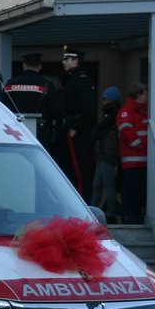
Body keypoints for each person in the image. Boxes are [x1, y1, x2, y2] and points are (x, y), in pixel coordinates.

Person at [4, 52, 66, 169]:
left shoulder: (9, 84)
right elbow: (58, 112)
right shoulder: (47, 85)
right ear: (39, 67)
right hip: (40, 135)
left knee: (16, 166)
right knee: (40, 167)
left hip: (14, 134)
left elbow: (1, 107)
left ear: (23, 66)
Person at [60, 48, 96, 198]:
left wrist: (76, 126)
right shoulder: (71, 79)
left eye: (67, 59)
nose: (63, 62)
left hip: (78, 134)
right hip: (71, 131)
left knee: (79, 171)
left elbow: (89, 109)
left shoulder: (80, 81)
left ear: (75, 61)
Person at [116, 81, 150, 223]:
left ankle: (135, 215)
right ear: (139, 95)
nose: (147, 96)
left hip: (142, 159)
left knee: (139, 191)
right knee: (131, 190)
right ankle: (129, 216)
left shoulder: (141, 111)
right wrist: (140, 145)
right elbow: (126, 130)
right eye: (145, 93)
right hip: (133, 160)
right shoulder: (127, 111)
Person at [90, 86, 122, 220]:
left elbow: (99, 130)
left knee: (105, 184)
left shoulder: (111, 115)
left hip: (106, 154)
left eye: (105, 99)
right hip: (105, 153)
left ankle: (108, 211)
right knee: (100, 184)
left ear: (110, 100)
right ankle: (96, 209)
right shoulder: (113, 114)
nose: (103, 101)